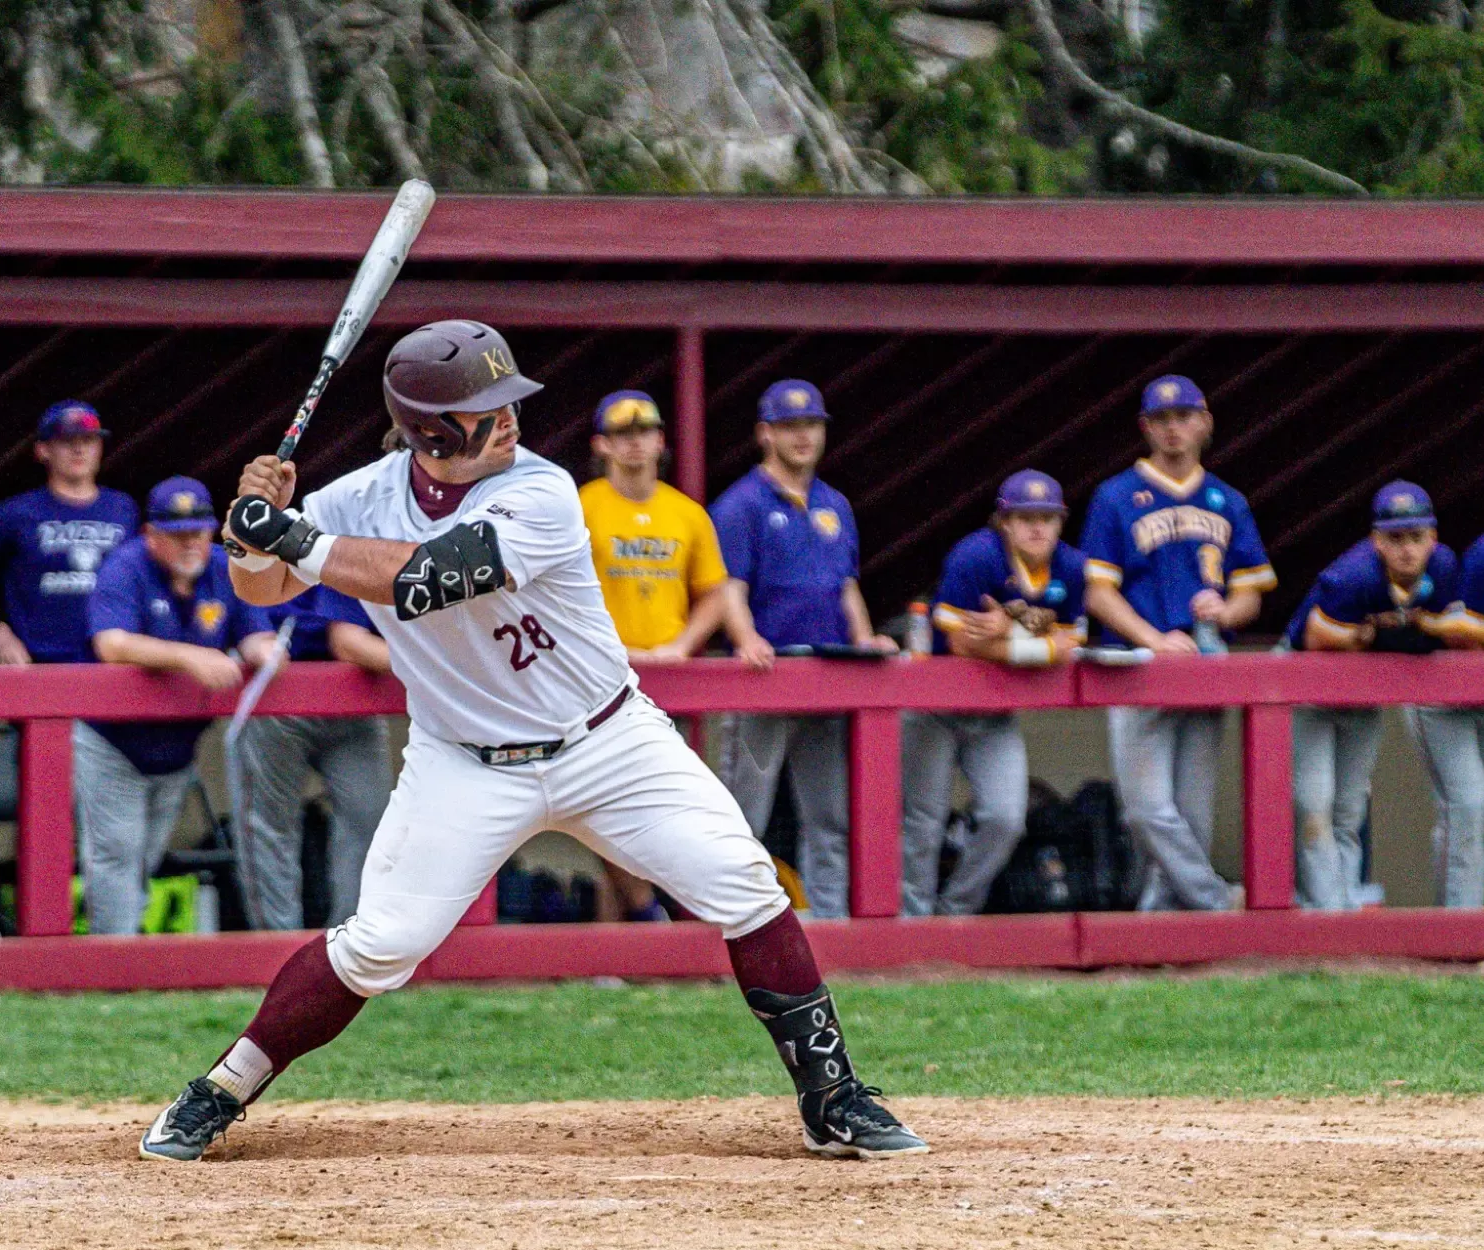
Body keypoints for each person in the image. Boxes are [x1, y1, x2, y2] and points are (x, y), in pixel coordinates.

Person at [139, 321, 925, 1163]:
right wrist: (245, 529)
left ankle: (832, 1098)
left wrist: (289, 531)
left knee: (744, 882)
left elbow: (428, 579)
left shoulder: (543, 491)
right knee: (382, 943)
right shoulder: (355, 499)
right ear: (433, 430)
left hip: (607, 740)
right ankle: (221, 1086)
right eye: (487, 408)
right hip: (462, 762)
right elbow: (257, 583)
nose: (511, 417)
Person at [1082, 375, 1276, 912]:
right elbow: (1098, 592)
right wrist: (1153, 639)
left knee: (1192, 815)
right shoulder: (1116, 495)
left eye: (1184, 416)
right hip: (1138, 662)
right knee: (1146, 811)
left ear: (1205, 421)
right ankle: (1216, 901)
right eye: (1162, 419)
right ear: (1146, 428)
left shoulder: (1228, 500)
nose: (1174, 428)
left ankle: (1161, 927)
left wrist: (1226, 609)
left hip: (1205, 662)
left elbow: (1249, 595)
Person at [707, 379, 896, 919]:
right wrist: (746, 639)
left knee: (831, 817)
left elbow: (846, 586)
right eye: (790, 426)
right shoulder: (740, 504)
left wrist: (863, 640)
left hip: (828, 676)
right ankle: (734, 927)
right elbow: (729, 589)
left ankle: (833, 926)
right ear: (765, 434)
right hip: (766, 677)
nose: (802, 436)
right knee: (745, 817)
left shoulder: (834, 503)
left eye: (811, 425)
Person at [578, 389, 764, 920]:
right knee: (596, 807)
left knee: (659, 812)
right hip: (595, 679)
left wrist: (682, 646)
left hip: (667, 683)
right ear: (602, 445)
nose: (634, 445)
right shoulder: (580, 505)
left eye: (644, 433)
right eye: (621, 435)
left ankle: (642, 943)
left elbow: (717, 590)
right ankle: (632, 931)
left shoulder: (686, 513)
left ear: (661, 442)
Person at [85, 479, 279, 935]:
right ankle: (112, 967)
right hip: (112, 739)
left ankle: (121, 951)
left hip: (178, 743)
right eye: (178, 534)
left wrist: (264, 649)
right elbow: (111, 643)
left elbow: (255, 632)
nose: (192, 542)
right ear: (151, 534)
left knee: (147, 853)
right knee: (117, 850)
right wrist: (189, 655)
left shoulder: (224, 566)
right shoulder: (126, 565)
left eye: (199, 531)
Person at [903, 470, 1086, 917]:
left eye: (1047, 517)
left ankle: (954, 914)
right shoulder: (975, 555)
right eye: (1024, 517)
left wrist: (1011, 626)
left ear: (1061, 521)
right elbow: (963, 643)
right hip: (935, 706)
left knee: (1006, 819)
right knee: (921, 824)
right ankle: (911, 921)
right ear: (1003, 521)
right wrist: (1039, 642)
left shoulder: (1072, 566)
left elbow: (1075, 639)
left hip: (993, 711)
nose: (1037, 527)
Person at [1286, 482, 1462, 911]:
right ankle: (1325, 917)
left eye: (1416, 537)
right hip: (1307, 687)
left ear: (1433, 538)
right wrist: (1373, 637)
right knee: (1314, 806)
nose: (1407, 549)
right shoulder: (1354, 574)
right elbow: (1315, 636)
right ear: (1377, 540)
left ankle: (1343, 913)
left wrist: (1395, 634)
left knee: (1348, 808)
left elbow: (1453, 624)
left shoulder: (1443, 566)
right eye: (1396, 538)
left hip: (1360, 695)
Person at [234, 581, 394, 931]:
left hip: (359, 694)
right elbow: (348, 643)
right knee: (271, 827)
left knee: (370, 820)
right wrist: (436, 666)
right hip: (281, 685)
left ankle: (353, 945)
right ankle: (276, 949)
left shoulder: (368, 537)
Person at [0, 400, 139, 666]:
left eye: (89, 440)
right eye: (67, 441)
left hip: (114, 665)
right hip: (41, 667)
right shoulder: (14, 513)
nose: (79, 449)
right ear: (43, 450)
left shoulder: (124, 509)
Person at [1405, 504, 1484, 908]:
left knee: (1481, 828)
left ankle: (1465, 934)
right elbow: (1463, 640)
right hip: (1443, 696)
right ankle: (1457, 945)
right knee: (1466, 808)